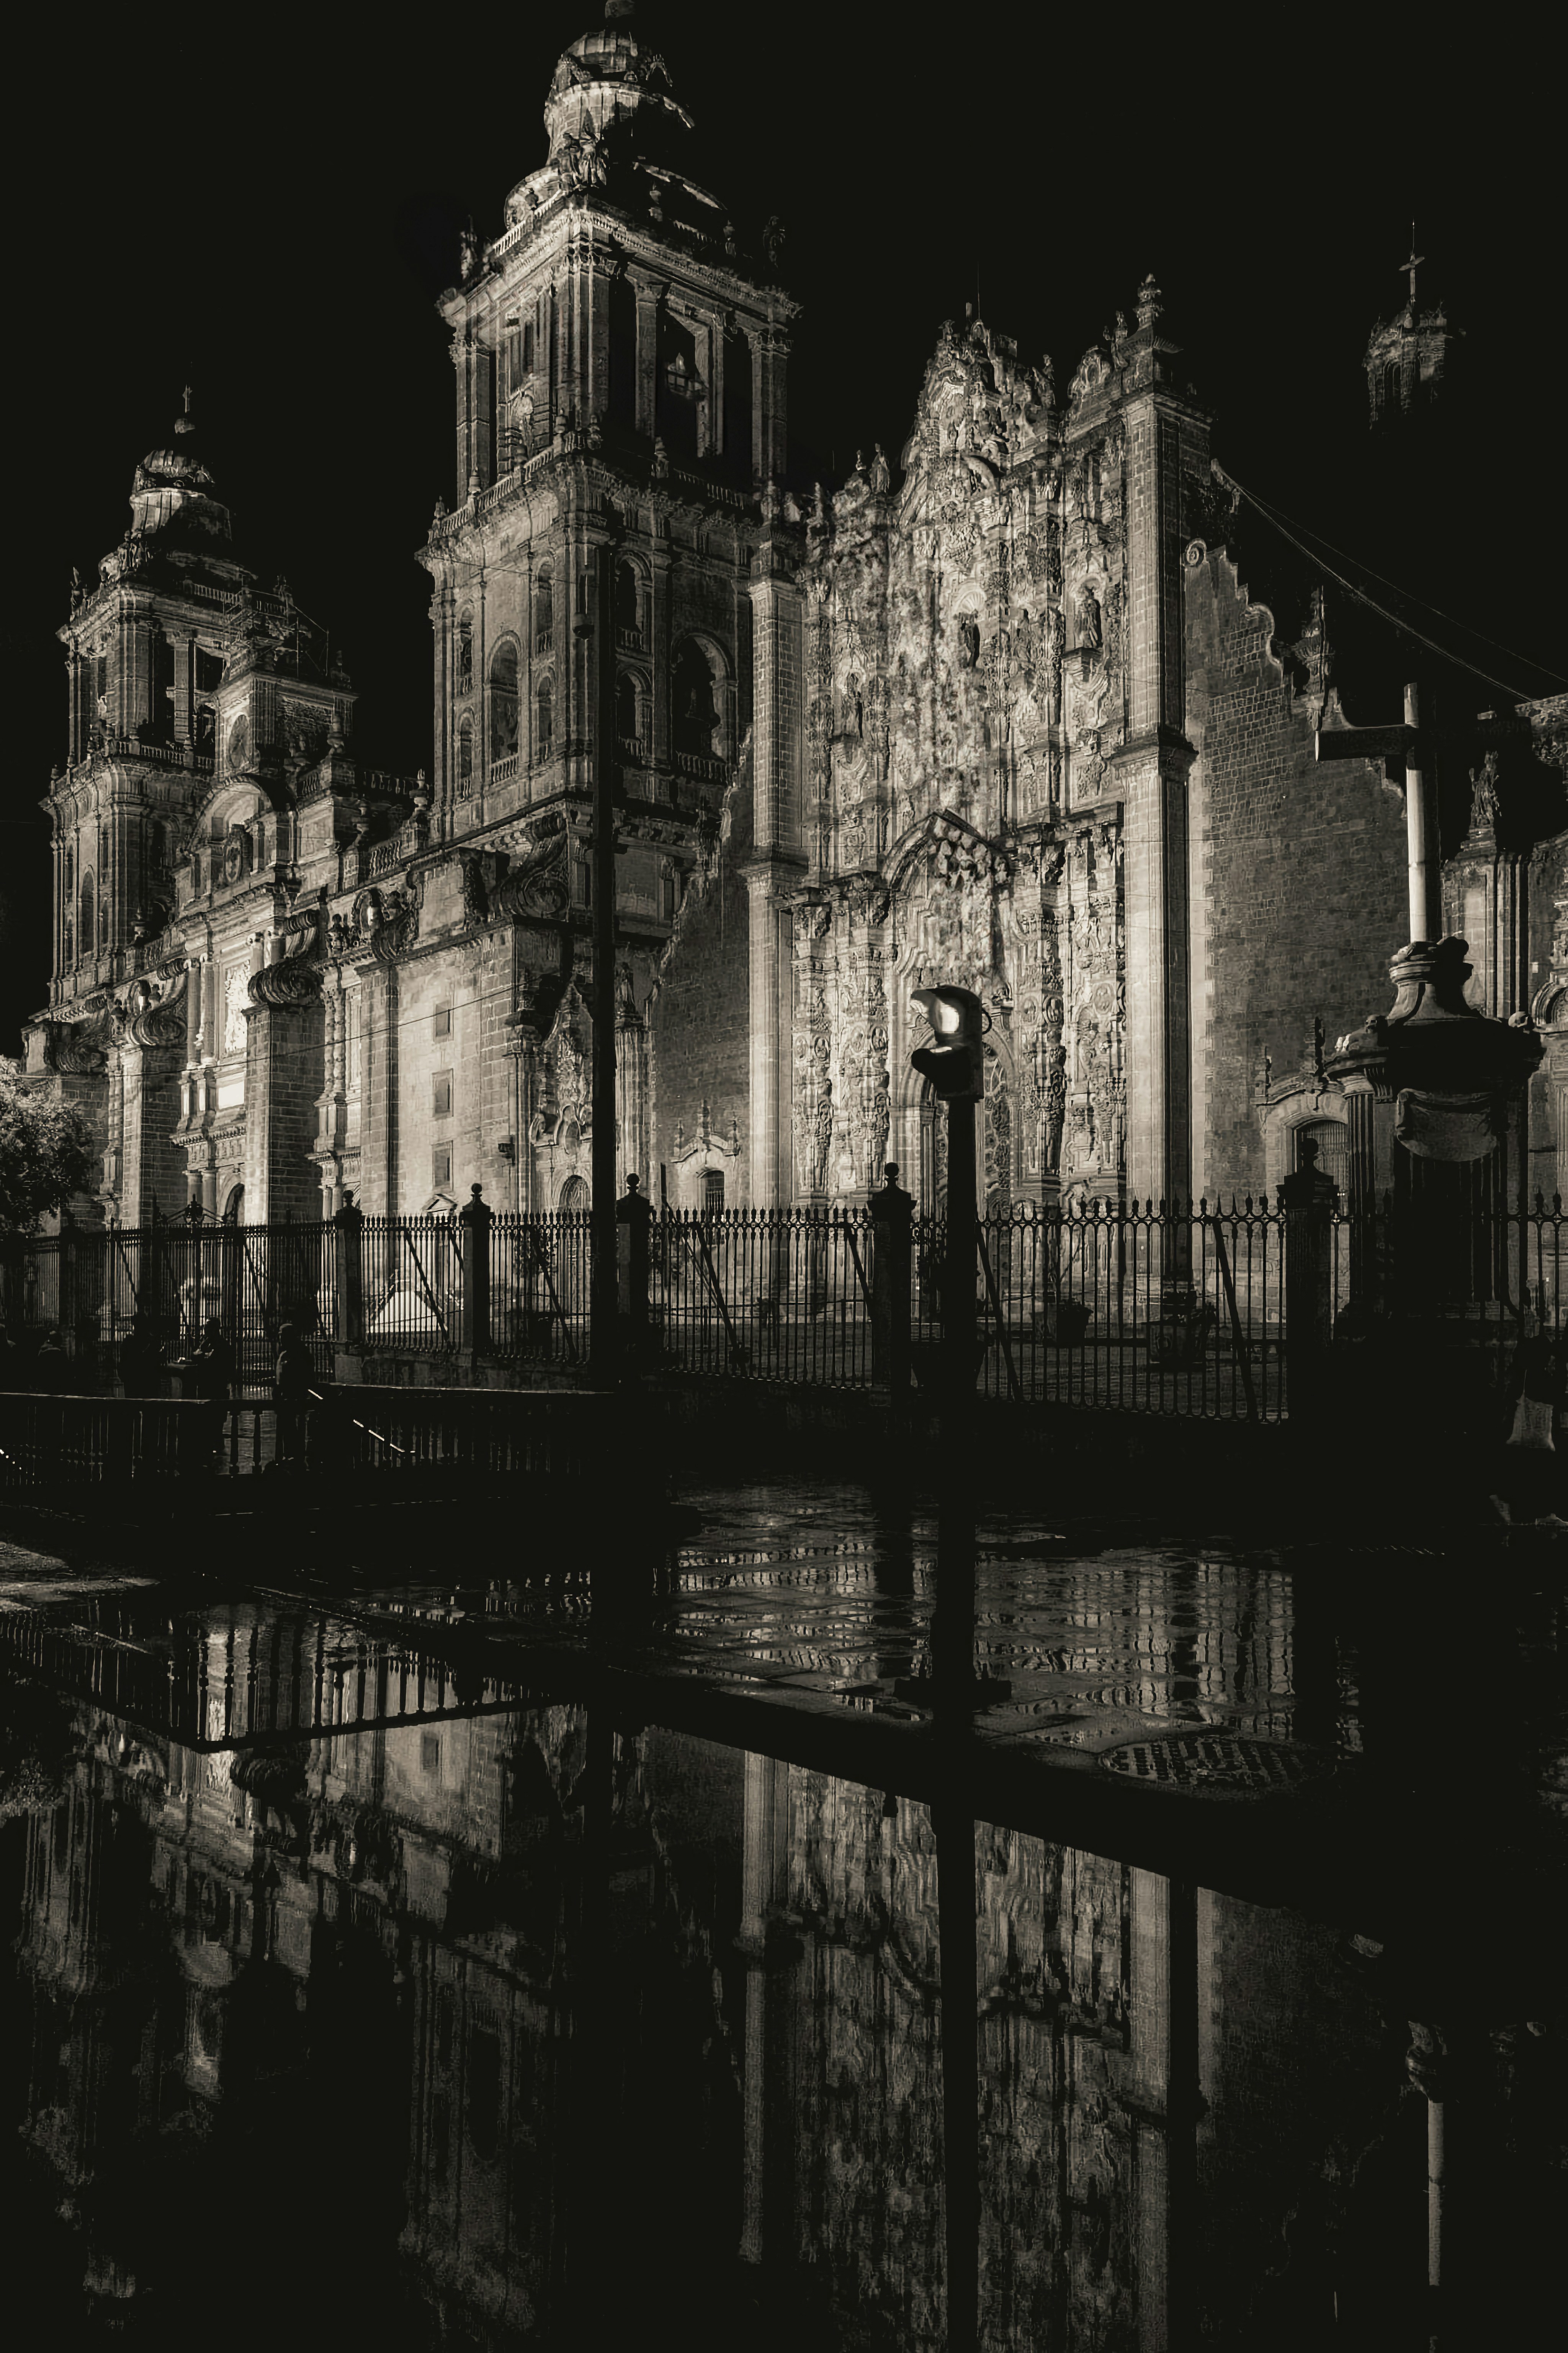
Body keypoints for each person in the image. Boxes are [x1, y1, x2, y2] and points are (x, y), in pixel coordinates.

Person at [1490, 1331, 1568, 1528]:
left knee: (1527, 1478)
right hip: (1539, 1439)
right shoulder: (1542, 1379)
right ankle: (1542, 1514)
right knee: (1544, 1477)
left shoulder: (1522, 1377)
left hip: (1522, 1438)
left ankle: (1515, 1507)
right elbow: (1557, 1392)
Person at [189, 1318, 236, 1470]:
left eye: (208, 1328)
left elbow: (210, 1361)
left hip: (217, 1387)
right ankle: (210, 1450)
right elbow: (195, 1356)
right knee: (207, 1421)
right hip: (206, 1387)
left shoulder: (222, 1345)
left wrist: (202, 1354)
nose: (205, 1330)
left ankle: (215, 1454)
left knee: (216, 1421)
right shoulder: (208, 1343)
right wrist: (202, 1351)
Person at [273, 1323, 312, 1469]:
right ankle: (287, 1453)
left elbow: (304, 1376)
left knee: (295, 1427)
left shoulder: (300, 1353)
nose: (280, 1338)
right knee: (286, 1427)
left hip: (294, 1397)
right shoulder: (285, 1352)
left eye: (283, 1335)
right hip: (284, 1398)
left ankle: (295, 1455)